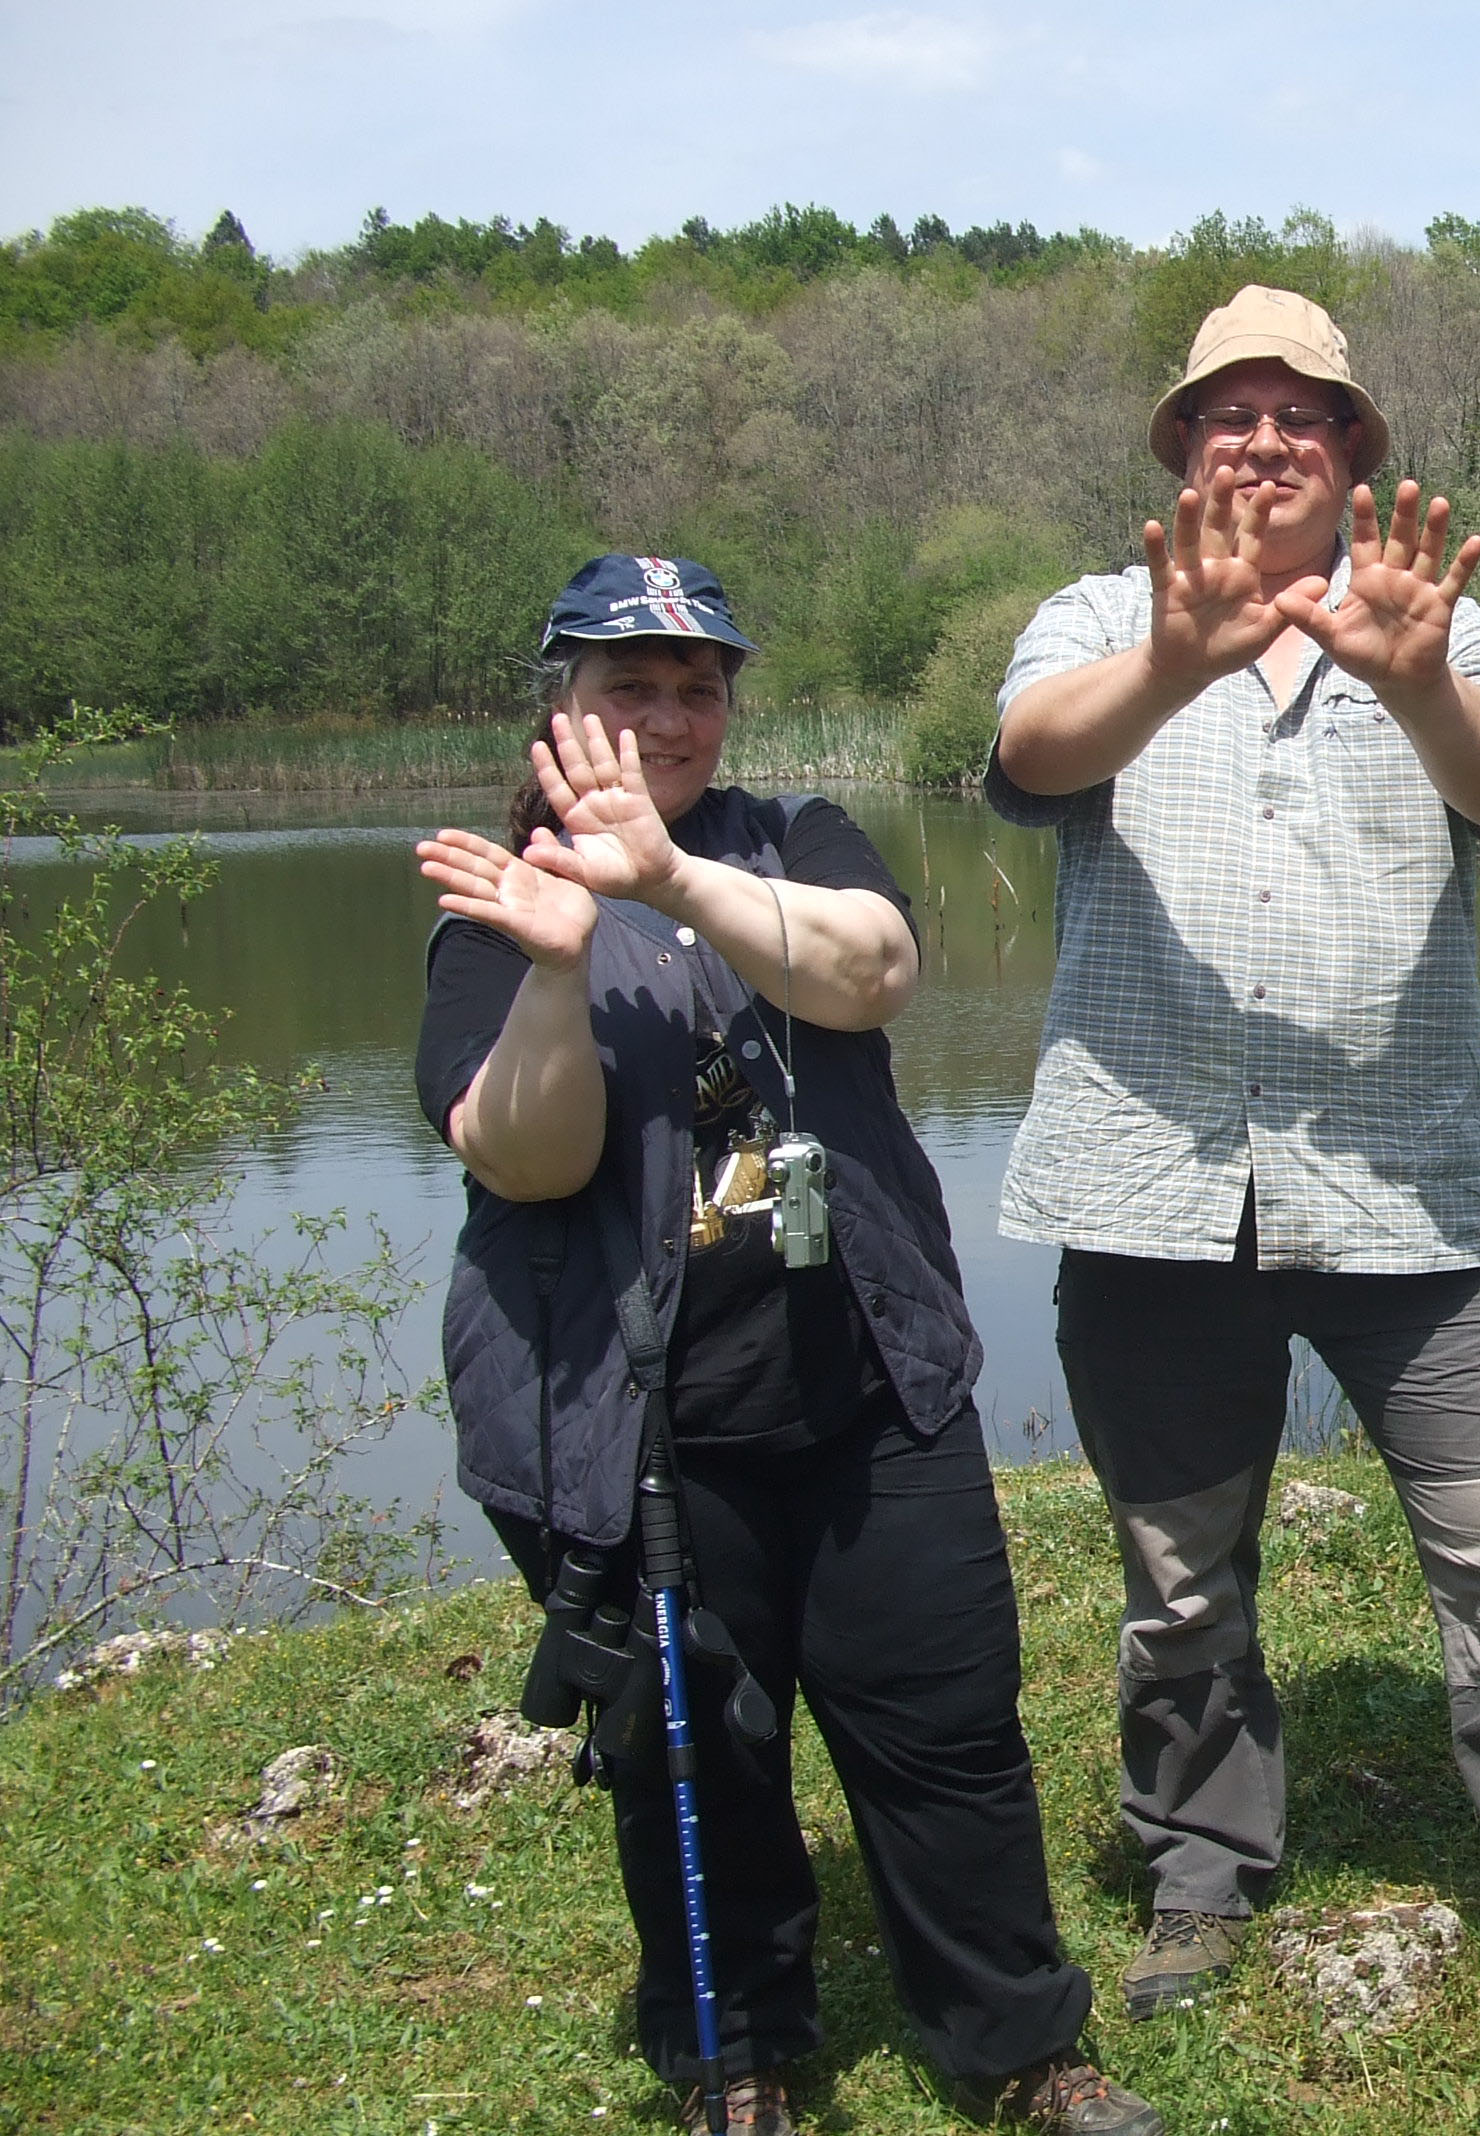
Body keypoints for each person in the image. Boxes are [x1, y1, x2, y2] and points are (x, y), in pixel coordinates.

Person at [986, 286, 1480, 2039]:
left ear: (1353, 448)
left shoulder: (1443, 618)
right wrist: (1182, 656)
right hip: (1148, 1189)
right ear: (1182, 449)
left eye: (1300, 412)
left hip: (1415, 1198)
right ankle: (1197, 1868)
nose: (1264, 439)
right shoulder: (1101, 613)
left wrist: (1414, 680)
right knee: (1178, 1577)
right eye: (1228, 414)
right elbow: (1029, 755)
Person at [415, 555, 1159, 2136]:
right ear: (562, 704)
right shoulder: (500, 897)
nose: (669, 717)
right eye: (631, 687)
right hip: (638, 1434)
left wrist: (672, 883)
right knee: (695, 1765)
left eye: (699, 687)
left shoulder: (790, 842)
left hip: (871, 1392)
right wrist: (561, 956)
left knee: (951, 1738)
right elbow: (520, 1157)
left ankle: (1017, 2045)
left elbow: (874, 971)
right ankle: (736, 2055)